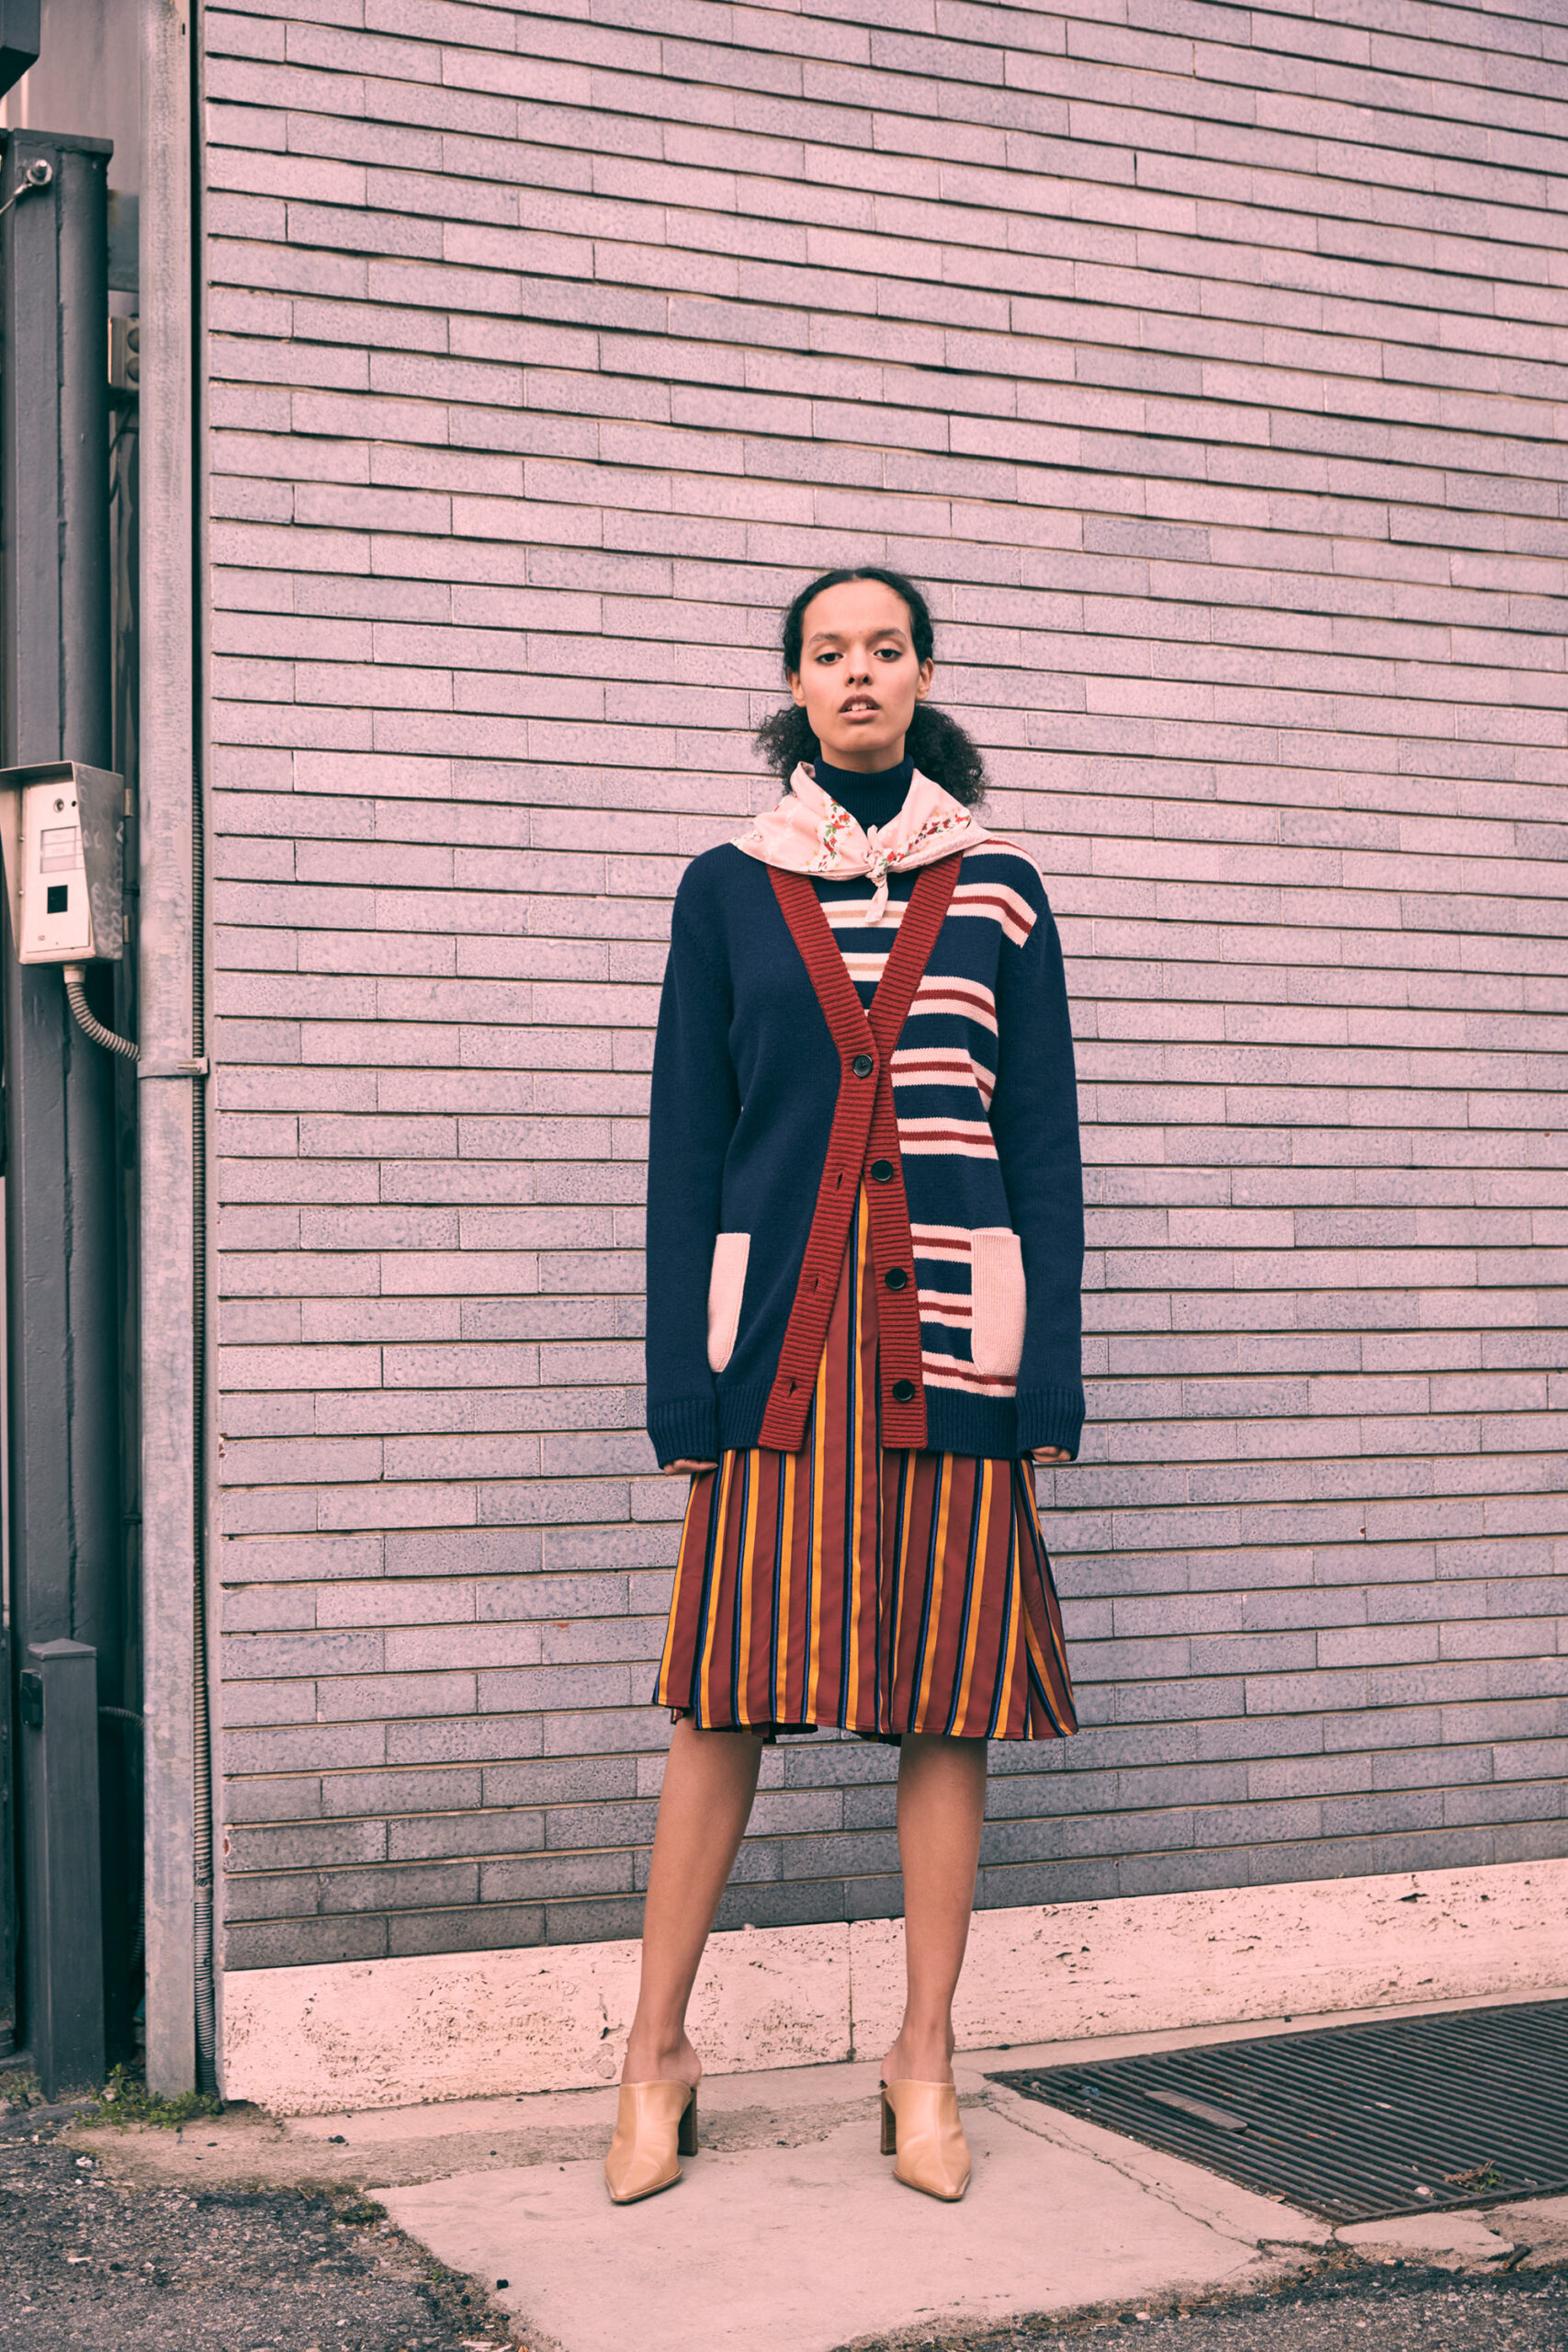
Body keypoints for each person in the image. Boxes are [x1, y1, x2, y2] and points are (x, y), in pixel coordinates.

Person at [606, 566, 1084, 2207]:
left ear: (925, 673)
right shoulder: (728, 887)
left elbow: (1042, 1147)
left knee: (949, 1704)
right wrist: (685, 1386)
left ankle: (923, 2056)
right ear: (795, 686)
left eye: (885, 649)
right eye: (829, 653)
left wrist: (1054, 1377)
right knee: (723, 1699)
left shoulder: (1004, 888)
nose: (858, 674)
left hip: (957, 1349)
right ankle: (654, 2053)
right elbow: (687, 1142)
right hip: (779, 1364)